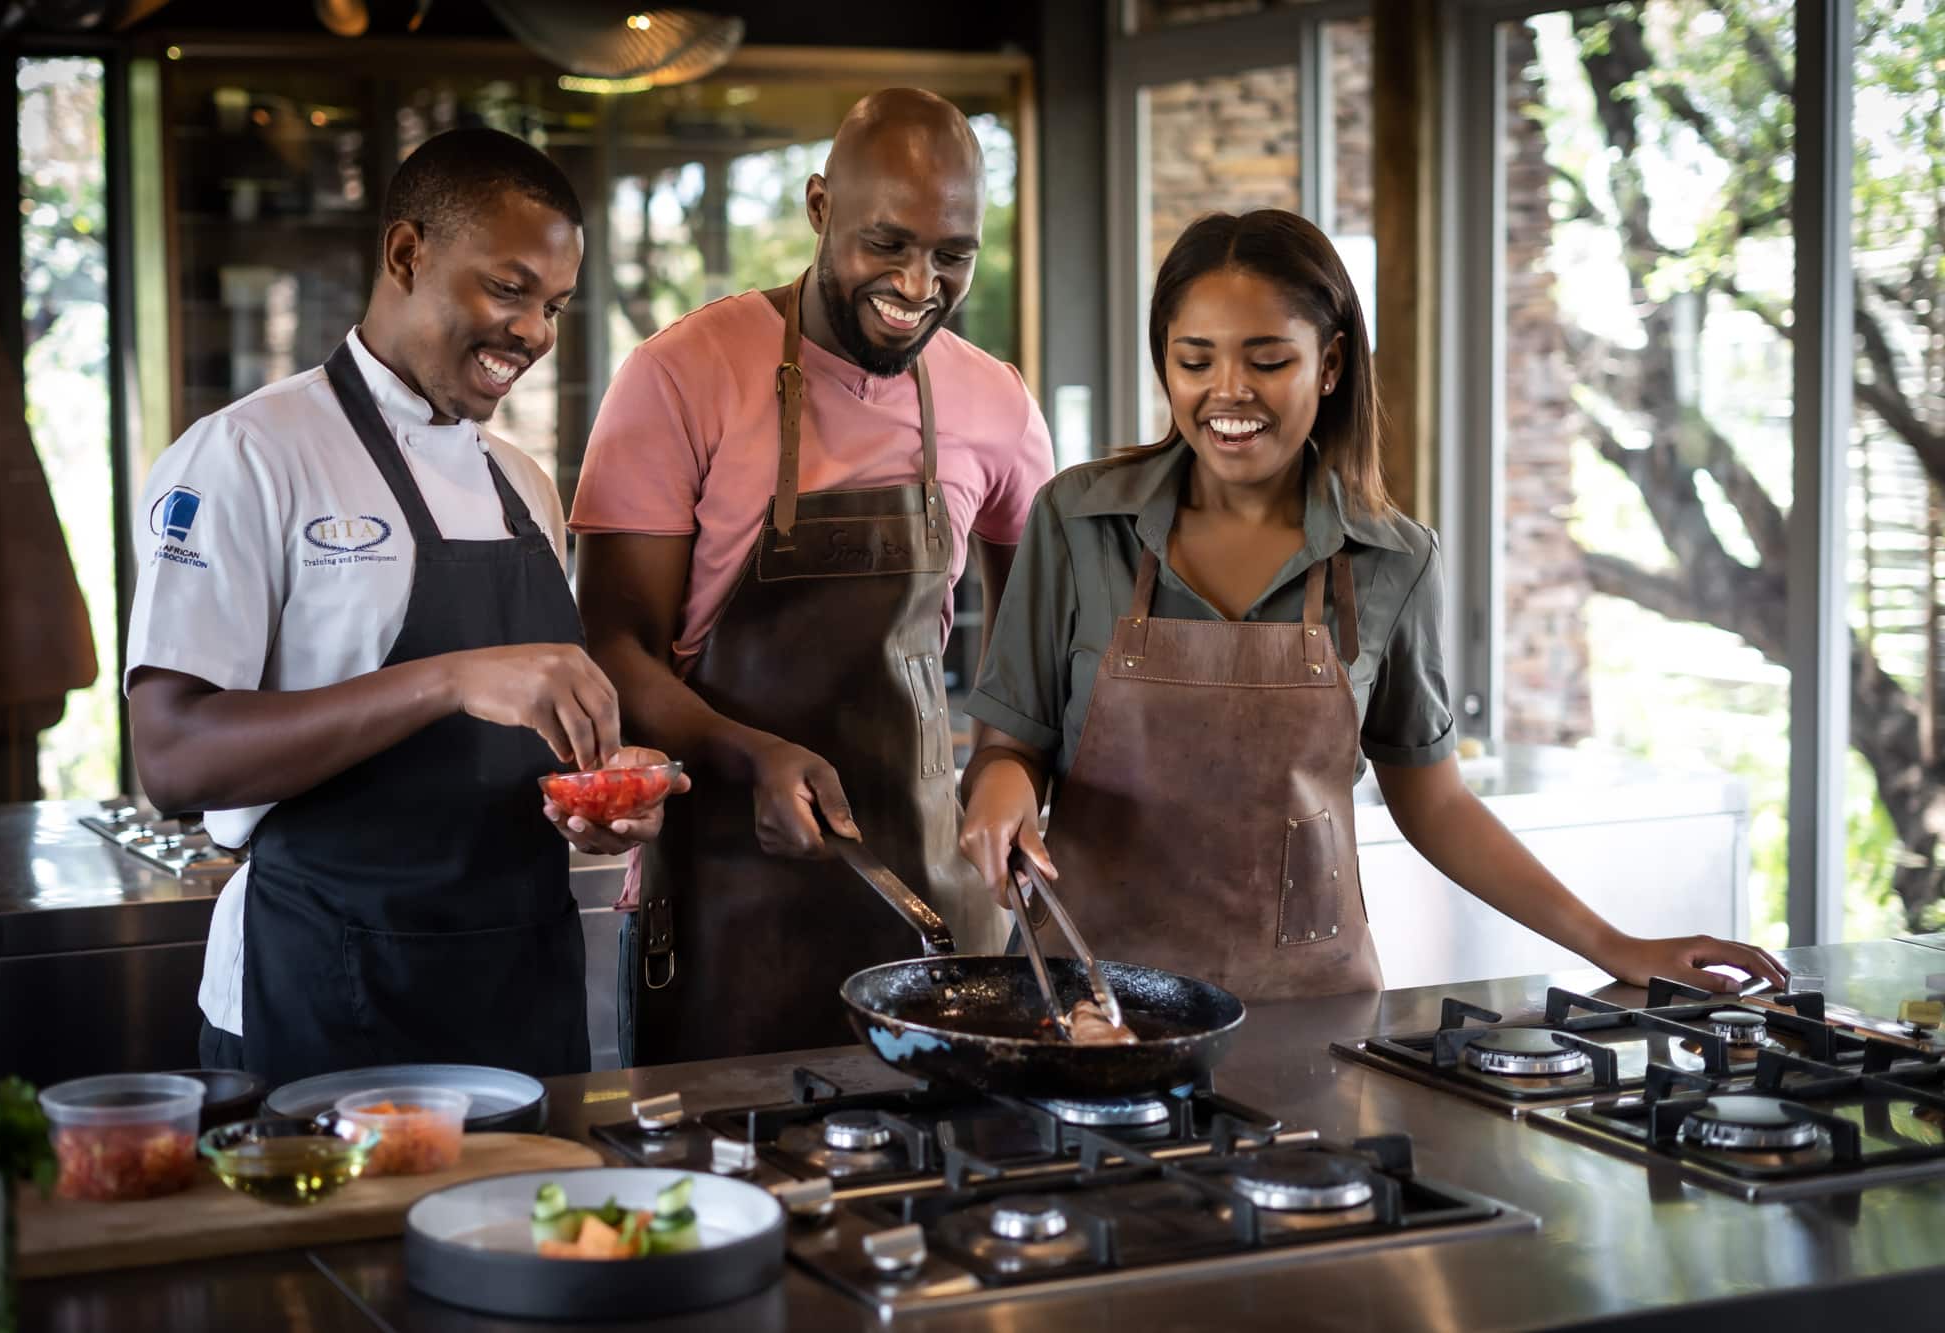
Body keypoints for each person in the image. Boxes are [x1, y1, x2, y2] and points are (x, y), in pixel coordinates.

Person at [957, 209, 1788, 1001]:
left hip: (1309, 1016)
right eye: (1195, 359)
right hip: (1086, 1006)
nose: (1228, 391)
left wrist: (1614, 945)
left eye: (1268, 360)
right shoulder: (1078, 520)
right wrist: (1001, 784)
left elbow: (1437, 803)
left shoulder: (1394, 560)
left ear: (1330, 362)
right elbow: (1010, 742)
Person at [125, 128, 681, 1086]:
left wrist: (592, 811)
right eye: (508, 290)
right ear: (405, 254)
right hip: (324, 993)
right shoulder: (249, 456)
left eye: (552, 306)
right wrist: (451, 679)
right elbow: (172, 758)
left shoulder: (523, 484)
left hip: (521, 995)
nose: (537, 334)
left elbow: (512, 750)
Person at [570, 89, 1056, 1063]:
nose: (919, 283)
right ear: (818, 205)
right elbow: (611, 647)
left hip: (932, 905)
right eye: (888, 244)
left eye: (951, 253)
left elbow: (1032, 648)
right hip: (724, 897)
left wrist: (1006, 774)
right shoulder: (679, 375)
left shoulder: (993, 400)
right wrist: (746, 751)